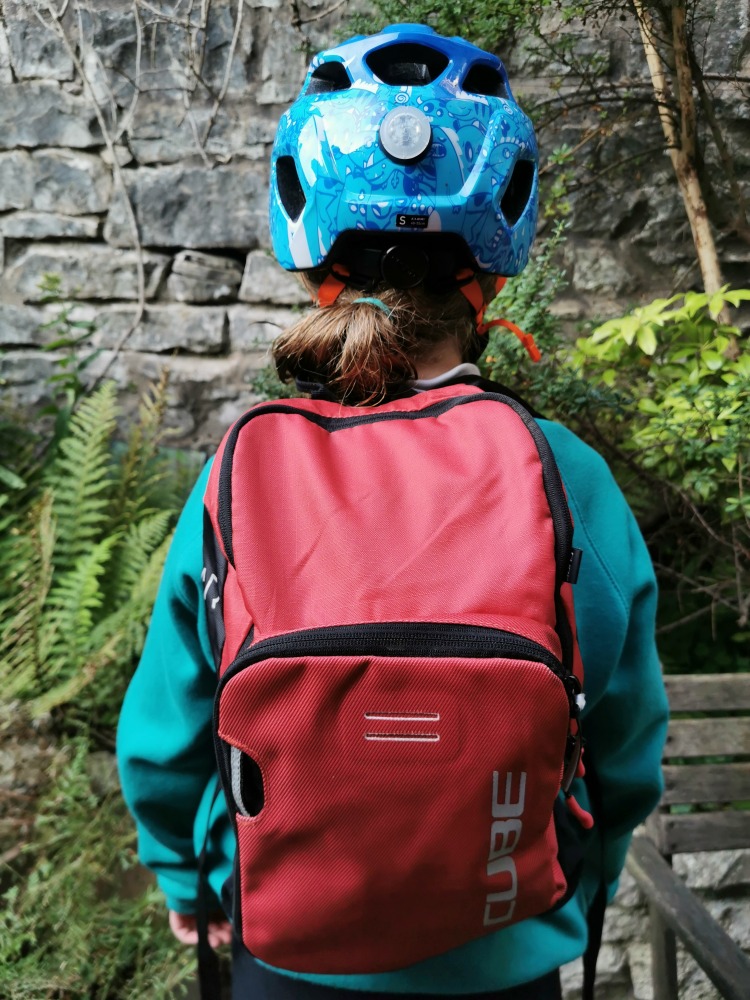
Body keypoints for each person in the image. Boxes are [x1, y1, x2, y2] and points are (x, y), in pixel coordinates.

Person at [117, 23, 668, 1000]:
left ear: (312, 262)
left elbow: (167, 733)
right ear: (496, 275)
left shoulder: (243, 469)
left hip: (290, 949)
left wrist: (189, 879)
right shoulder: (567, 475)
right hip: (506, 948)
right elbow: (624, 739)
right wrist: (593, 874)